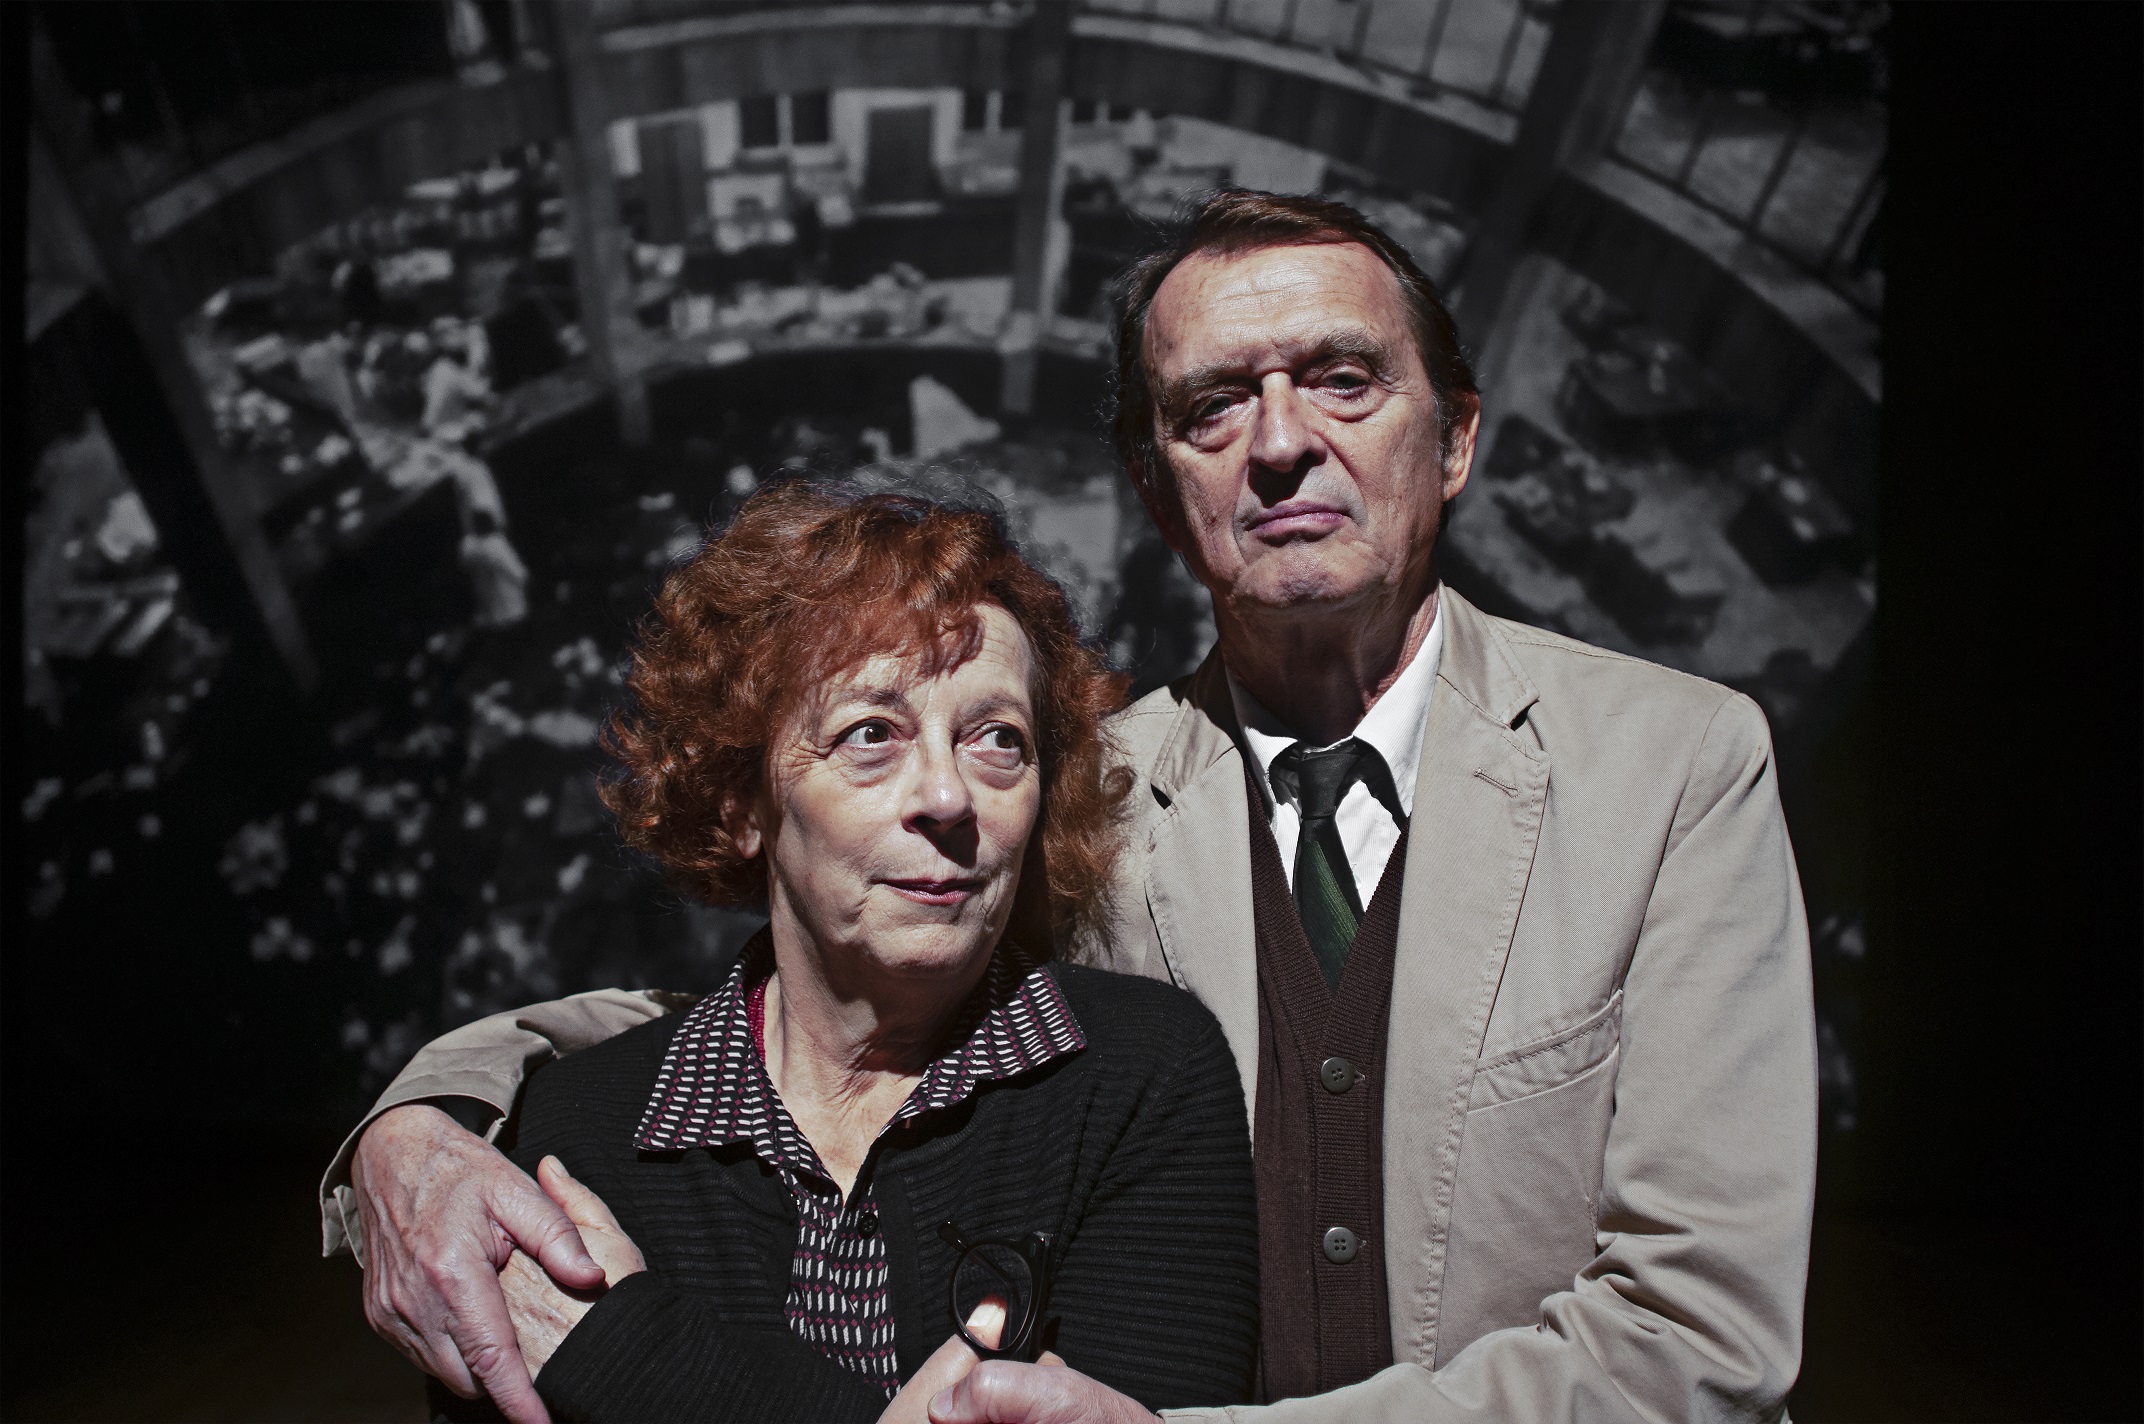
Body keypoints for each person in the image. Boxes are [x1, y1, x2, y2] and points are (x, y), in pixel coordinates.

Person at [325, 190, 1814, 1423]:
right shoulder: (1073, 783)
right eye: (1214, 406)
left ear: (1458, 437)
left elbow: (1700, 1338)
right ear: (1162, 493)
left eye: (1343, 380)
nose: (1280, 442)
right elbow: (808, 990)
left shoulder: (1674, 766)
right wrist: (412, 1129)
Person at [375, 483, 1259, 1422]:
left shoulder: (1142, 1077)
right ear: (740, 803)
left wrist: (624, 1349)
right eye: (871, 734)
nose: (948, 798)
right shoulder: (576, 1137)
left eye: (998, 740)